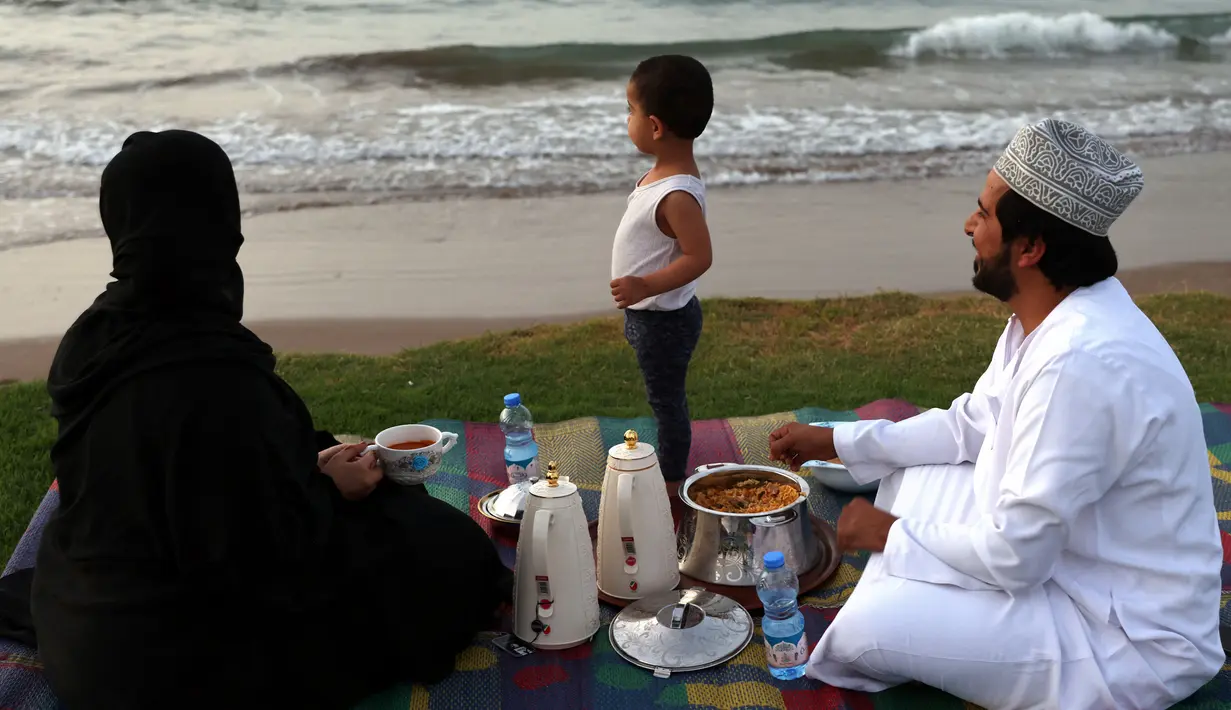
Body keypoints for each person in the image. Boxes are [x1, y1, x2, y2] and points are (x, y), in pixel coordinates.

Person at [15, 130, 511, 709]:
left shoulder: (96, 334)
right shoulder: (206, 368)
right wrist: (325, 488)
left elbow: (188, 482)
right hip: (169, 658)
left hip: (84, 614)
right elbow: (252, 557)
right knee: (445, 552)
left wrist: (299, 464)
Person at [768, 118, 1223, 709]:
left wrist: (889, 534)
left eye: (983, 214)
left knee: (863, 631)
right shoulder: (1054, 316)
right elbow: (971, 426)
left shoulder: (1079, 363)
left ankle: (910, 582)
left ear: (1030, 248)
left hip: (1124, 635)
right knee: (912, 472)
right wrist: (836, 440)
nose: (969, 225)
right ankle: (921, 575)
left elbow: (1017, 557)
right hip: (1066, 562)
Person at [610, 54, 715, 487]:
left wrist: (643, 286)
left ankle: (672, 480)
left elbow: (699, 257)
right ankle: (671, 467)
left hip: (664, 322)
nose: (626, 120)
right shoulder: (663, 174)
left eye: (629, 111)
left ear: (655, 126)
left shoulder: (676, 195)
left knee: (667, 402)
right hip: (650, 315)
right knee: (664, 397)